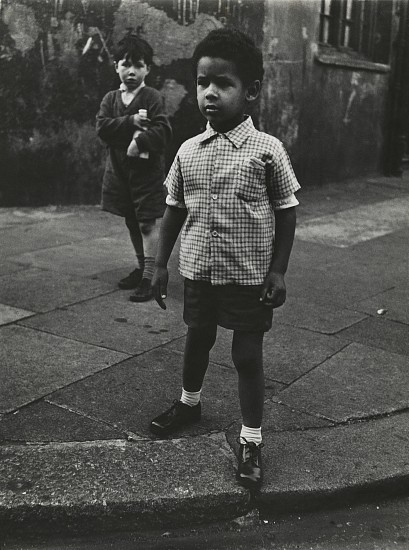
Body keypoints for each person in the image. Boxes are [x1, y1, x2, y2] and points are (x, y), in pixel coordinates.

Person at [150, 28, 301, 490]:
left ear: (251, 91)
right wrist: (159, 264)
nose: (209, 93)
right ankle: (189, 402)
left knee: (246, 353)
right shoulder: (187, 151)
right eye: (202, 82)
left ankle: (251, 438)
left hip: (248, 275)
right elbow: (174, 209)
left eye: (223, 83)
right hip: (198, 269)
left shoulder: (267, 150)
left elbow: (287, 210)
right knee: (197, 337)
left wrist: (278, 269)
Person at [96, 34, 172, 301]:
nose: (132, 71)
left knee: (147, 223)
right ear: (116, 66)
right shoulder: (111, 99)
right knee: (131, 219)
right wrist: (129, 123)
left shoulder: (152, 97)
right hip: (119, 173)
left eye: (139, 65)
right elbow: (102, 127)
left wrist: (139, 141)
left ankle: (150, 278)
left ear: (147, 69)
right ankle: (142, 267)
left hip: (146, 174)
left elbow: (163, 130)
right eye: (126, 64)